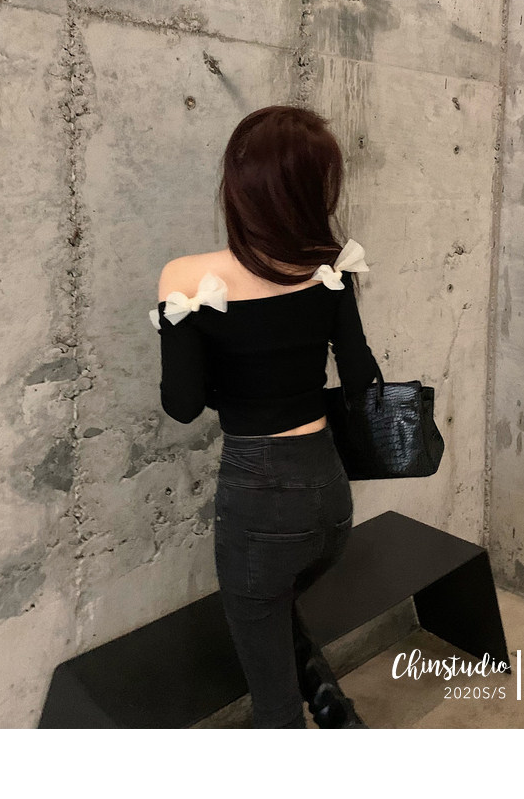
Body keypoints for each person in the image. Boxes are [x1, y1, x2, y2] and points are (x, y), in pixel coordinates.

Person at [149, 105, 379, 728]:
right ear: (315, 188)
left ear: (238, 184)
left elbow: (182, 406)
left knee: (274, 711)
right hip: (331, 498)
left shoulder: (187, 277)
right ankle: (332, 705)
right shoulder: (328, 267)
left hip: (258, 502)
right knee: (276, 609)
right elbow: (361, 378)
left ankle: (319, 710)